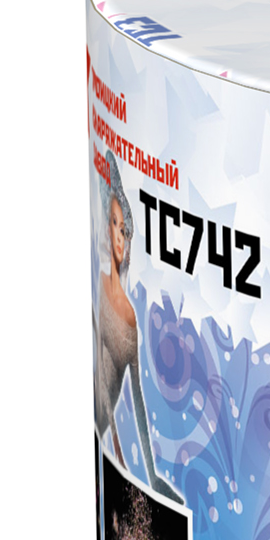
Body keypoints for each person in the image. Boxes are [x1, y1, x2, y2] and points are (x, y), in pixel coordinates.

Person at [92, 152, 181, 501]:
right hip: (99, 425)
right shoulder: (99, 288)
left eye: (123, 229)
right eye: (113, 223)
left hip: (106, 430)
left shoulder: (129, 318)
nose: (118, 236)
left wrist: (152, 477)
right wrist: (115, 442)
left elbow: (138, 400)